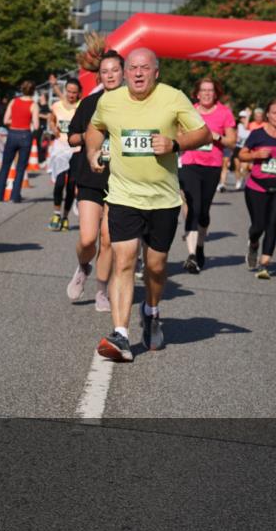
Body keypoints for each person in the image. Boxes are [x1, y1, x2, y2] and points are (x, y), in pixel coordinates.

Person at [85, 48, 209, 361]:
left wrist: (175, 144)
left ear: (156, 72)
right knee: (124, 261)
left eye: (145, 68)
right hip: (123, 196)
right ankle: (121, 334)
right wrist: (92, 152)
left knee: (155, 266)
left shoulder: (173, 97)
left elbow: (203, 133)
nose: (138, 73)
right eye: (132, 68)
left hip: (163, 199)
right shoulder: (110, 101)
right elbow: (95, 128)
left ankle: (151, 311)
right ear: (125, 73)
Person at [65, 47, 125, 312]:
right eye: (105, 72)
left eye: (115, 71)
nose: (110, 75)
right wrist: (90, 136)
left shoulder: (133, 105)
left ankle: (102, 291)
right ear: (99, 76)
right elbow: (71, 138)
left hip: (120, 179)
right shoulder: (90, 103)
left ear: (123, 73)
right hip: (91, 175)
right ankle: (82, 267)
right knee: (88, 239)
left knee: (108, 238)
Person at [178, 78, 237, 273]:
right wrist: (189, 137)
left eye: (210, 90)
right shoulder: (188, 111)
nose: (207, 94)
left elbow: (232, 142)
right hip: (190, 164)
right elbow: (178, 135)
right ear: (197, 93)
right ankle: (191, 255)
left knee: (203, 212)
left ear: (216, 93)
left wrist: (215, 136)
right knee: (193, 207)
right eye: (203, 90)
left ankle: (200, 246)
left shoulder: (224, 113)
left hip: (212, 166)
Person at [239, 99, 276, 279]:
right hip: (256, 186)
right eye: (275, 113)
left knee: (273, 224)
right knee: (258, 226)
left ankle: (264, 264)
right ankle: (253, 244)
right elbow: (242, 155)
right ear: (268, 114)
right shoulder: (257, 134)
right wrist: (257, 154)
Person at [0, 80, 39, 203]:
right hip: (25, 135)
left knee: (5, 166)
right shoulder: (33, 105)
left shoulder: (14, 101)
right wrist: (27, 122)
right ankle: (15, 196)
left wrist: (15, 122)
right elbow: (36, 125)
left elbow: (5, 120)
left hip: (12, 134)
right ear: (33, 91)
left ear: (21, 89)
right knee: (21, 168)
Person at [49, 78, 81, 230]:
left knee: (71, 185)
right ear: (65, 90)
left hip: (76, 149)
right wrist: (53, 128)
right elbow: (52, 119)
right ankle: (56, 213)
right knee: (60, 183)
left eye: (74, 92)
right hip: (60, 148)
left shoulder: (82, 106)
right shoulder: (57, 105)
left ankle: (65, 216)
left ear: (79, 93)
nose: (71, 95)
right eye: (69, 91)